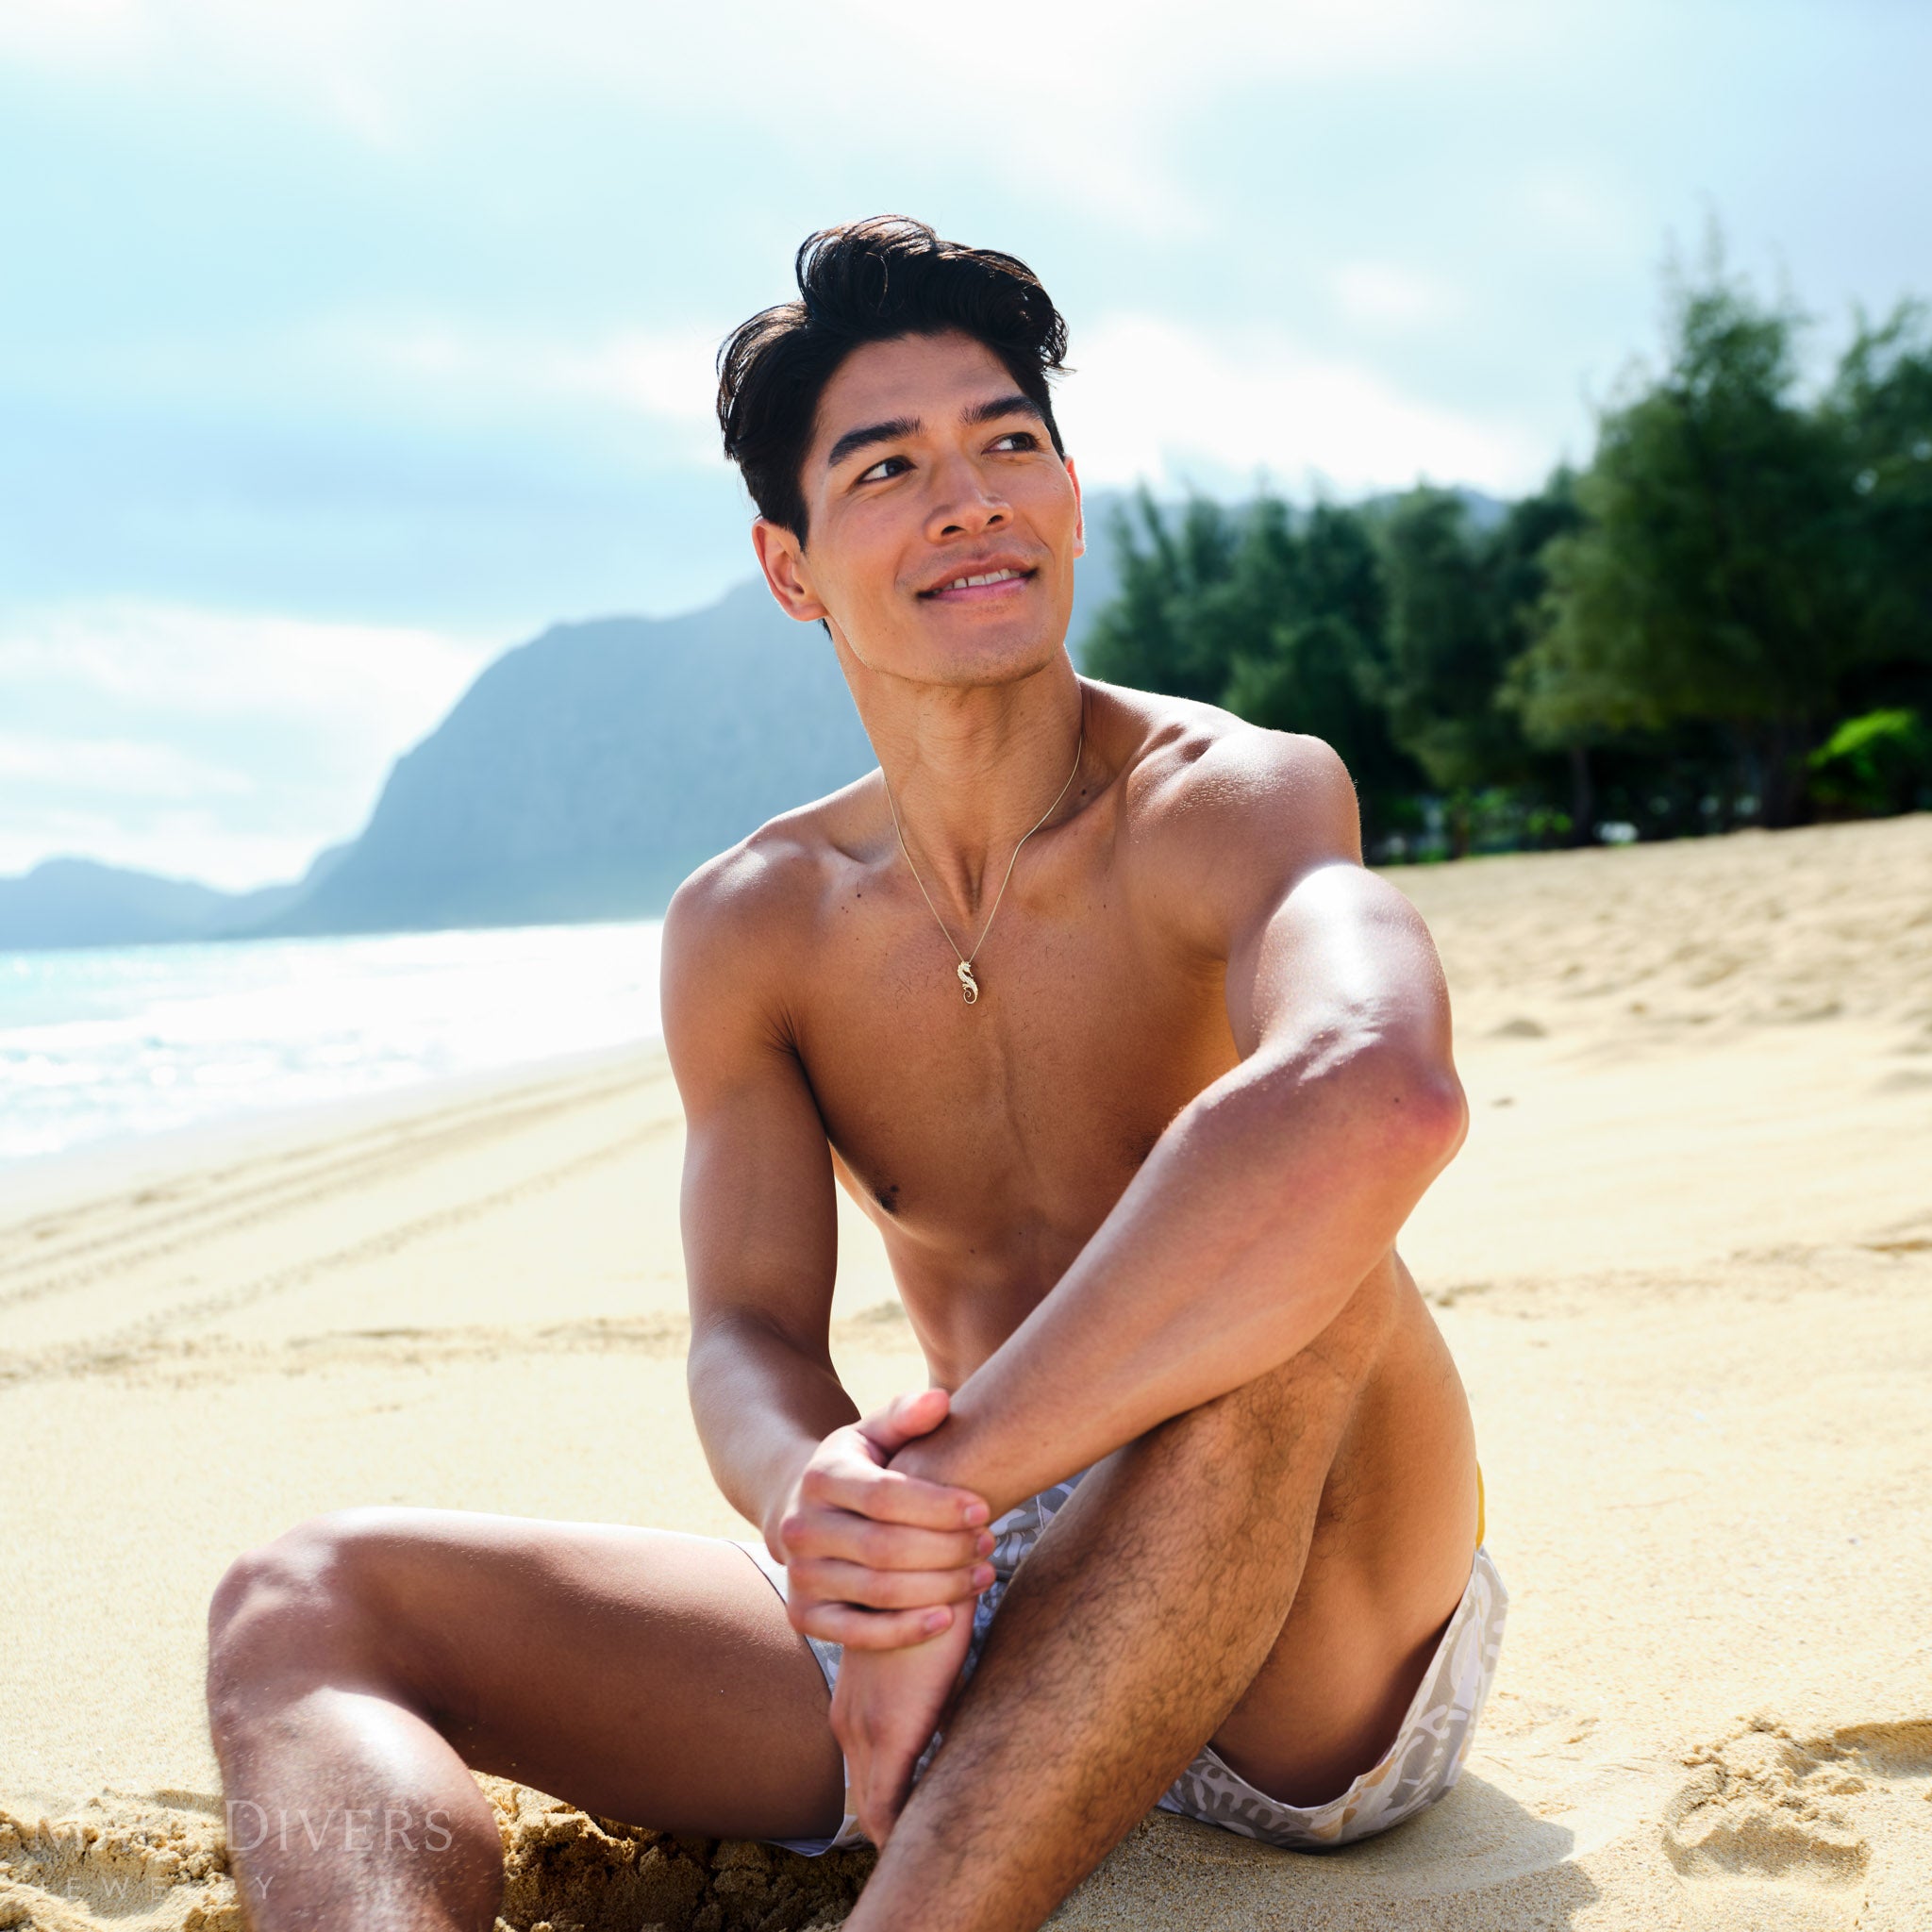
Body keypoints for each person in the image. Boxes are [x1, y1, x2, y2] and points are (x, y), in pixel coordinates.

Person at [205, 216, 1505, 1932]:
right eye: (889, 467)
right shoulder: (755, 926)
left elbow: (1377, 1087)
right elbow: (745, 1334)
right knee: (302, 1596)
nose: (970, 497)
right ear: (793, 566)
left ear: (1070, 500)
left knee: (1300, 1277)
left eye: (1009, 444)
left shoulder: (1231, 799)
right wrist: (829, 1516)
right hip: (974, 1599)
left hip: (1300, 1646)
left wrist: (933, 1495)